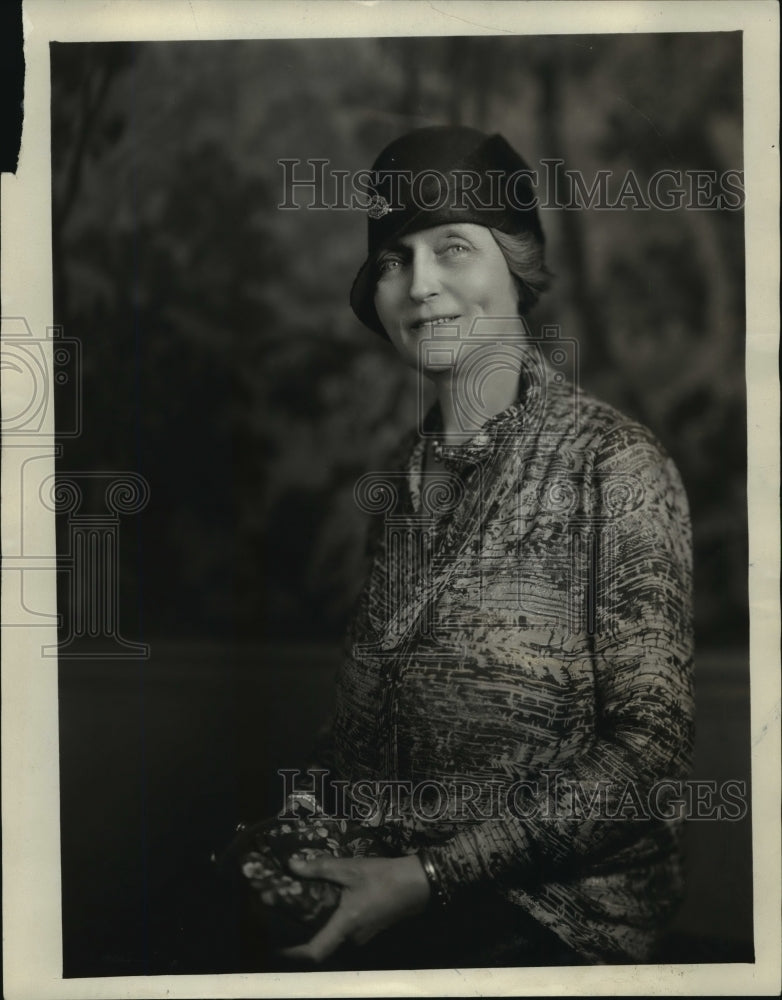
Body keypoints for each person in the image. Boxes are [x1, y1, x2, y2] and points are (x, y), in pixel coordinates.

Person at [279, 126, 695, 969]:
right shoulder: (397, 481)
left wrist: (430, 873)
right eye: (394, 258)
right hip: (394, 919)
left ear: (516, 266)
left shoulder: (614, 465)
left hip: (555, 936)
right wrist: (298, 831)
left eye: (452, 248)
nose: (419, 286)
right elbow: (366, 729)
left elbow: (648, 753)